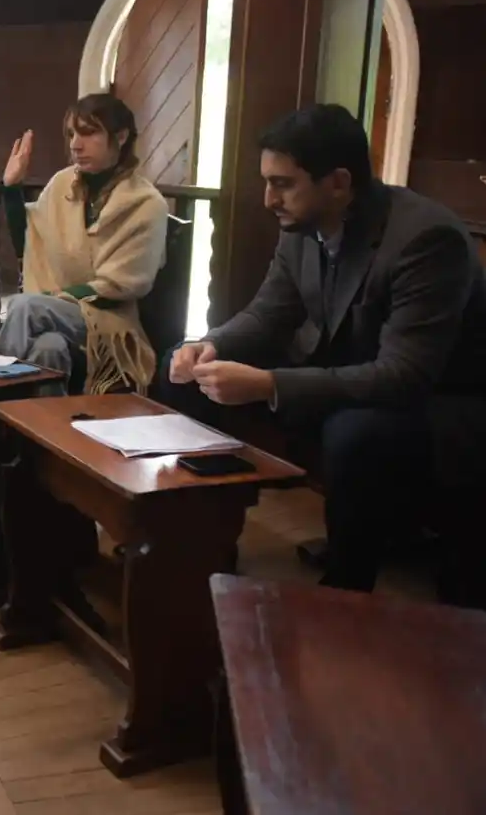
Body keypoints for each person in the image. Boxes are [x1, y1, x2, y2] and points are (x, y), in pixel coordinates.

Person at [160, 103, 486, 595]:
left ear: (338, 181)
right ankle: (201, 542)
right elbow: (268, 315)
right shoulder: (302, 227)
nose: (268, 198)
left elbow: (404, 375)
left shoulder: (425, 239)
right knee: (185, 374)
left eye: (283, 183)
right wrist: (206, 345)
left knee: (354, 433)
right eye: (267, 181)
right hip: (354, 374)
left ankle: (346, 592)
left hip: (446, 404)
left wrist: (270, 385)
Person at [0, 94, 168, 394]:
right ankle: (40, 436)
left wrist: (55, 297)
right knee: (49, 348)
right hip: (61, 316)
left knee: (25, 306)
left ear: (121, 137)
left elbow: (119, 287)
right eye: (72, 134)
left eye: (88, 133)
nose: (75, 144)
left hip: (110, 325)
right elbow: (30, 243)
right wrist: (12, 188)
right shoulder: (63, 183)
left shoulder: (146, 203)